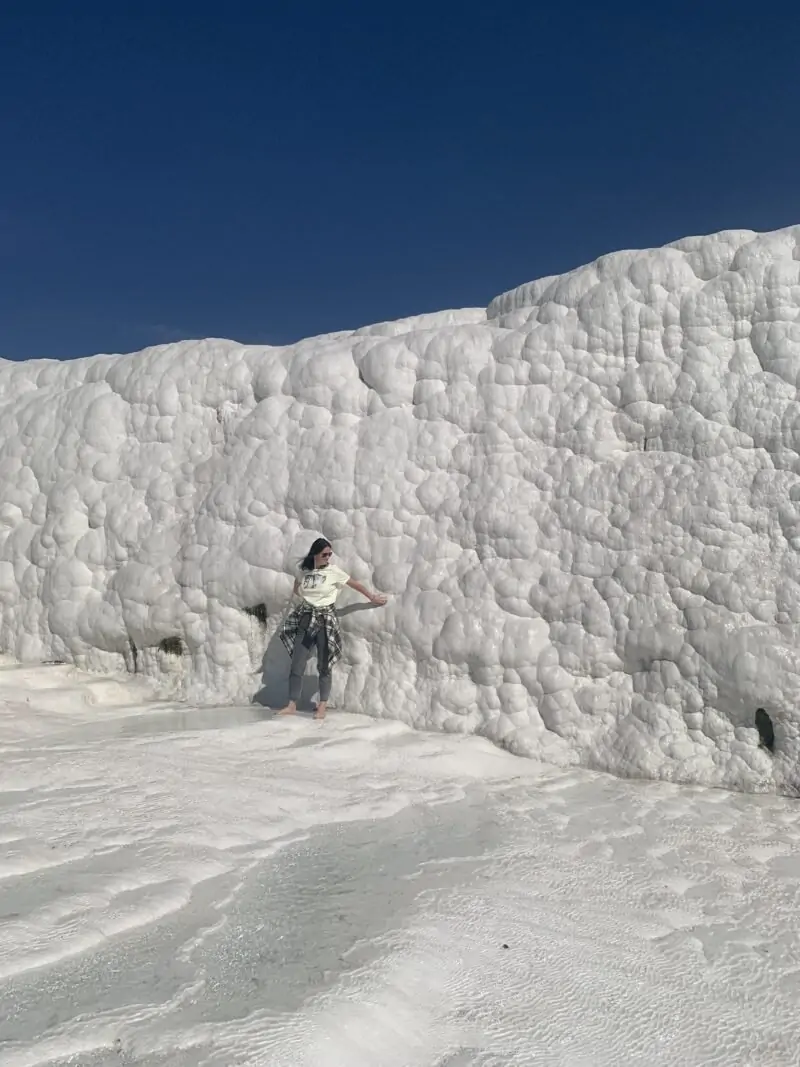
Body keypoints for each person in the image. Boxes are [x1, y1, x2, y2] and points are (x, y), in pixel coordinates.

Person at [277, 537, 387, 719]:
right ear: (315, 554)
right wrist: (309, 599)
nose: (328, 557)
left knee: (324, 664)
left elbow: (355, 584)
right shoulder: (304, 572)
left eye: (330, 554)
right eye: (324, 554)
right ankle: (292, 704)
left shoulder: (334, 572)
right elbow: (297, 589)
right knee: (297, 663)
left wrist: (372, 597)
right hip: (306, 619)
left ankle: (322, 706)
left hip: (324, 621)